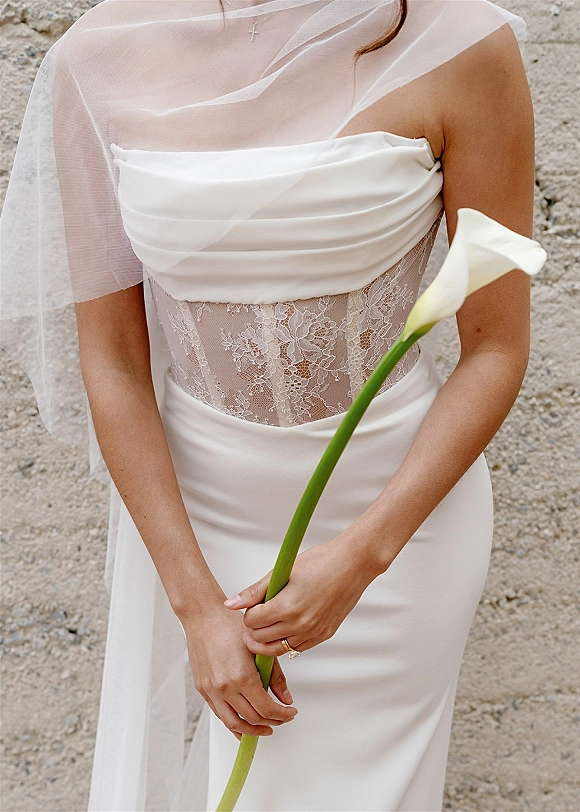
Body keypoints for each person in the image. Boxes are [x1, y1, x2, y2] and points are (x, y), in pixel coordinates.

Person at [0, 1, 536, 809]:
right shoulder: (97, 59)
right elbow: (110, 358)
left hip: (401, 522)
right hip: (205, 528)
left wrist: (364, 555)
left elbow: (497, 345)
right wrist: (195, 607)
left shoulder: (458, 42)